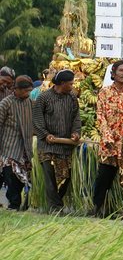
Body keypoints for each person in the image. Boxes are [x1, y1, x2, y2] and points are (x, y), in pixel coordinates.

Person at [93, 60, 123, 219]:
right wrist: (107, 136)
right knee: (104, 178)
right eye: (121, 70)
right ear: (113, 73)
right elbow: (100, 116)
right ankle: (98, 208)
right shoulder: (104, 92)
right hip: (110, 144)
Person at [33, 69, 81, 213]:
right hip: (47, 145)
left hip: (65, 146)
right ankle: (55, 207)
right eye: (70, 84)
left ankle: (56, 204)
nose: (72, 86)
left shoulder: (72, 98)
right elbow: (37, 119)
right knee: (50, 175)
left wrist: (76, 133)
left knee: (66, 177)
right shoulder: (44, 98)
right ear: (62, 83)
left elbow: (76, 118)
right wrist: (45, 134)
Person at [0, 76, 34, 211]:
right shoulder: (5, 103)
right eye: (25, 91)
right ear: (16, 89)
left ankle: (17, 204)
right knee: (11, 177)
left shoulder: (30, 103)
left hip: (25, 148)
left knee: (21, 179)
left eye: (29, 91)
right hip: (8, 147)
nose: (28, 94)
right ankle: (13, 205)